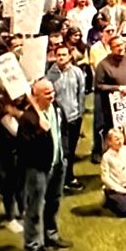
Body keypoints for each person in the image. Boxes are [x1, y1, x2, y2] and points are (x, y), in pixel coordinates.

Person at [16, 80, 72, 251]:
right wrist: (41, 131)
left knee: (54, 202)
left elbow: (64, 132)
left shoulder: (56, 109)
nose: (51, 95)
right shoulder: (28, 118)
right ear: (35, 94)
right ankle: (32, 250)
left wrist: (64, 154)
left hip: (58, 164)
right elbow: (24, 148)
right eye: (46, 92)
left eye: (52, 91)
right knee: (34, 210)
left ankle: (51, 237)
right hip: (38, 169)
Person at [92, 34, 126, 162]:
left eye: (121, 44)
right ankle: (116, 164)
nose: (120, 48)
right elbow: (98, 86)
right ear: (110, 48)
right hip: (113, 108)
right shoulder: (103, 65)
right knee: (117, 137)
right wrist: (119, 88)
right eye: (116, 46)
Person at [45, 43, 86, 192]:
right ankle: (63, 179)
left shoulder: (77, 72)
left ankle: (68, 176)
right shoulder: (50, 75)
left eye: (64, 54)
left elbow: (81, 93)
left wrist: (80, 112)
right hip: (58, 119)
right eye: (58, 55)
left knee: (72, 149)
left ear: (70, 56)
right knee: (63, 150)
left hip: (75, 116)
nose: (61, 58)